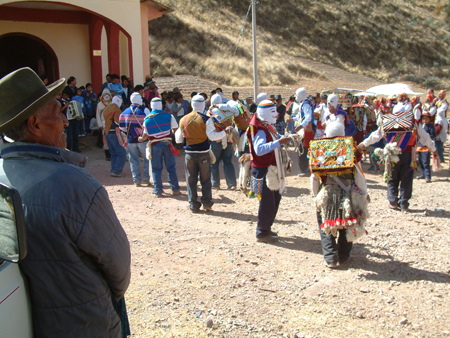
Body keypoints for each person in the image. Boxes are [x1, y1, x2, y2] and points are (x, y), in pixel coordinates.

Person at [0, 67, 131, 337]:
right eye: (58, 112)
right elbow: (118, 267)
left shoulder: (2, 172)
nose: (66, 121)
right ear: (34, 124)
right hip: (84, 322)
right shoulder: (73, 183)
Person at [311, 121, 368, 268]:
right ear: (343, 133)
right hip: (347, 192)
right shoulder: (351, 149)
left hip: (327, 192)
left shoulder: (319, 149)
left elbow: (314, 176)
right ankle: (344, 255)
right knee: (346, 222)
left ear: (326, 134)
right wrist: (364, 193)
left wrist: (315, 193)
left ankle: (330, 258)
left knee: (325, 221)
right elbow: (359, 175)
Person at [358, 105, 437, 212]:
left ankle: (393, 201)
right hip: (408, 155)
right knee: (407, 179)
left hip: (392, 154)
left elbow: (376, 136)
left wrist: (364, 143)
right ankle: (404, 203)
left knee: (392, 177)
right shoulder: (413, 122)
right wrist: (433, 148)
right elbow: (425, 136)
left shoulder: (387, 122)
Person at [246, 100, 292, 243]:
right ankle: (261, 232)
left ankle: (266, 228)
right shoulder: (261, 129)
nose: (277, 114)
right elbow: (259, 150)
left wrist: (288, 138)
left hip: (270, 170)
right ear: (265, 113)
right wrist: (279, 142)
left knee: (275, 200)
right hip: (265, 171)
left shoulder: (267, 126)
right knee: (268, 203)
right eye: (273, 111)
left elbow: (277, 138)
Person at [175, 94, 231, 213]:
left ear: (192, 104)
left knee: (191, 180)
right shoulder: (207, 119)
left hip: (189, 154)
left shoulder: (183, 119)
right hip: (204, 153)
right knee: (205, 180)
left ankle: (193, 205)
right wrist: (224, 133)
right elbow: (212, 136)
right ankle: (206, 203)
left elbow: (178, 140)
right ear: (203, 105)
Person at [139, 97, 181, 197]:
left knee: (156, 169)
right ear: (161, 105)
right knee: (171, 167)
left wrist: (140, 139)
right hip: (168, 144)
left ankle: (158, 190)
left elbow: (145, 136)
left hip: (154, 146)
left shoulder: (147, 119)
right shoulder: (169, 116)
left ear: (151, 106)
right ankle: (175, 188)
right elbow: (176, 130)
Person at [119, 93, 151, 187]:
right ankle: (146, 178)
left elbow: (122, 127)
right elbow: (149, 124)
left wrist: (129, 132)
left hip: (130, 140)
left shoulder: (124, 112)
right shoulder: (145, 110)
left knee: (133, 160)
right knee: (147, 159)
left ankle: (136, 180)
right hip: (143, 139)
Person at [208, 94, 239, 190]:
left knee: (214, 162)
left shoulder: (210, 112)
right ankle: (232, 183)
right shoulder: (228, 110)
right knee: (228, 162)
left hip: (216, 140)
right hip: (228, 138)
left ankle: (215, 183)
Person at [289, 88, 315, 176]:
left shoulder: (306, 104)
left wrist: (300, 125)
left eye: (297, 94)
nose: (296, 96)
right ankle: (305, 168)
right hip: (303, 129)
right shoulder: (303, 103)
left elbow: (308, 117)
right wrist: (293, 119)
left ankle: (305, 169)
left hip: (305, 130)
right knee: (303, 149)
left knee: (303, 149)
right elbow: (301, 116)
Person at [103, 95, 127, 177]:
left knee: (113, 153)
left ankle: (113, 169)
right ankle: (117, 171)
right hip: (114, 133)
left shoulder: (106, 109)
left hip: (107, 133)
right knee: (121, 152)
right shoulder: (116, 109)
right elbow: (118, 123)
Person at [416, 111, 436, 182]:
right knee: (420, 161)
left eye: (426, 118)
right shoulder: (420, 126)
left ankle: (428, 176)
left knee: (426, 162)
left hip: (426, 146)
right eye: (423, 118)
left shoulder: (431, 126)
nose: (425, 120)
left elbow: (433, 135)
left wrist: (426, 137)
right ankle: (422, 174)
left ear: (429, 119)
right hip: (419, 146)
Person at [96, 88, 113, 160]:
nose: (106, 96)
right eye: (105, 94)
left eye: (107, 94)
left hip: (112, 124)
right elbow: (98, 115)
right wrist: (100, 124)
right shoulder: (100, 104)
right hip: (104, 124)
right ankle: (107, 155)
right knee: (105, 140)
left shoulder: (112, 103)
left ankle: (112, 154)